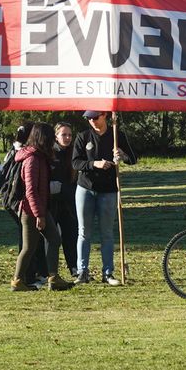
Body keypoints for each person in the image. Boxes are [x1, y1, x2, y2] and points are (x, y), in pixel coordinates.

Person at [72, 109, 136, 285]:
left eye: (95, 117)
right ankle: (82, 272)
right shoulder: (83, 136)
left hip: (108, 191)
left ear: (104, 115)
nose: (92, 121)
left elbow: (133, 159)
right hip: (85, 189)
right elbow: (75, 162)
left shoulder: (117, 135)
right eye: (88, 118)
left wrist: (122, 155)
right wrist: (95, 164)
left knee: (107, 233)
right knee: (83, 232)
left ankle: (108, 273)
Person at [12, 123, 73, 292]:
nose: (52, 141)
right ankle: (18, 280)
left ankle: (52, 277)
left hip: (38, 208)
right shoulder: (32, 159)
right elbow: (30, 191)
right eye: (50, 138)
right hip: (31, 210)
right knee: (31, 246)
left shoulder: (39, 157)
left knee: (52, 240)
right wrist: (39, 215)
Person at [51, 122, 80, 277]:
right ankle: (50, 271)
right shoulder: (49, 153)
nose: (67, 138)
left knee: (71, 236)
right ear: (56, 136)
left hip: (69, 203)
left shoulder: (74, 153)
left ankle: (74, 268)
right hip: (51, 203)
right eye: (64, 134)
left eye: (69, 135)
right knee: (51, 239)